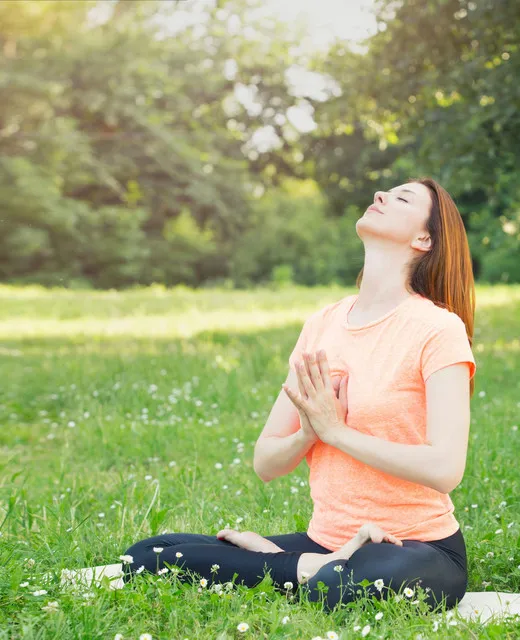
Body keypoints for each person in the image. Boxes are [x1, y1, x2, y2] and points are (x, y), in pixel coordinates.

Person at [121, 176, 477, 613]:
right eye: (384, 191)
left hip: (414, 549)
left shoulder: (438, 329)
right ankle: (311, 564)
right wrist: (309, 433)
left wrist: (336, 431)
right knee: (146, 556)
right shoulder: (324, 324)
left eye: (402, 198)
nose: (379, 195)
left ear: (424, 237)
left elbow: (445, 469)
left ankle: (288, 565)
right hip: (326, 542)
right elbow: (266, 462)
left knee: (352, 584)